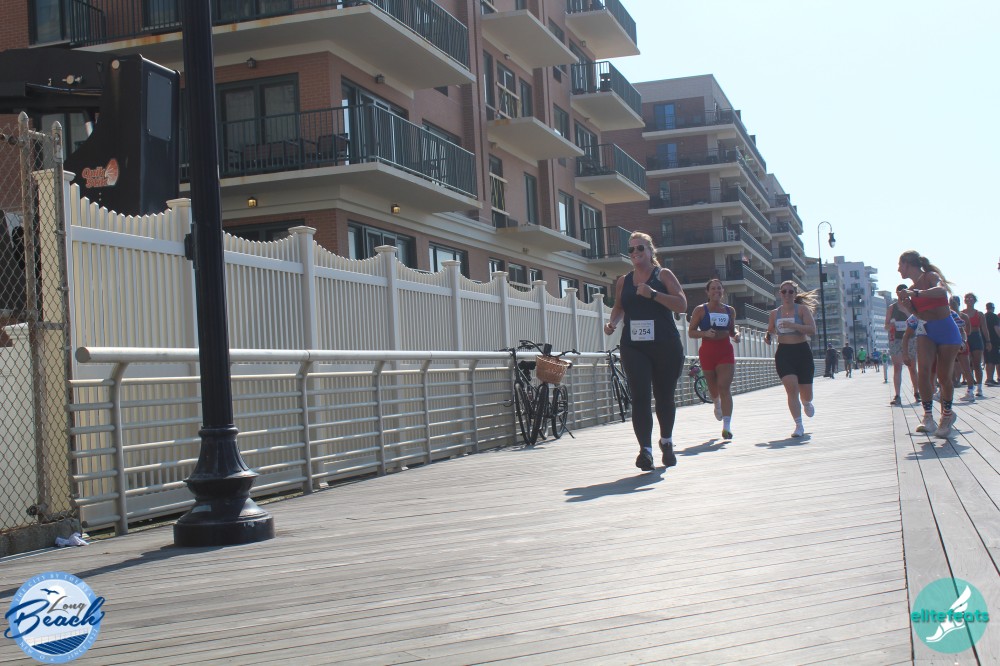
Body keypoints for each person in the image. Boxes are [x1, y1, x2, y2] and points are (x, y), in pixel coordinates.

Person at [604, 232, 687, 471]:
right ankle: (645, 451)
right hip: (634, 346)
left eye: (640, 248)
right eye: (631, 249)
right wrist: (612, 322)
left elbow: (682, 305)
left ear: (650, 251)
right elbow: (619, 307)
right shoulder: (624, 281)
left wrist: (654, 294)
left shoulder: (663, 275)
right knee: (640, 396)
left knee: (664, 397)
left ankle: (666, 442)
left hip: (665, 345)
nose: (635, 252)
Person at [899, 250, 962, 438]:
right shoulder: (911, 289)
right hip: (927, 330)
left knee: (944, 377)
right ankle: (928, 417)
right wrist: (909, 307)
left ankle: (947, 415)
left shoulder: (930, 277)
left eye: (900, 265)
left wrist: (915, 293)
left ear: (907, 264)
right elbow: (921, 315)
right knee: (923, 372)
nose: (898, 269)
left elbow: (942, 291)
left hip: (947, 331)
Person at [764, 281, 818, 437]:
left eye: (790, 292)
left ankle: (806, 402)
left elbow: (812, 329)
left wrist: (794, 326)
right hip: (784, 353)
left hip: (802, 352)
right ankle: (798, 425)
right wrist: (768, 337)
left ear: (795, 294)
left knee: (806, 394)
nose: (787, 294)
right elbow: (770, 331)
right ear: (780, 294)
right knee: (791, 389)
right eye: (784, 292)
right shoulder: (774, 313)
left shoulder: (802, 310)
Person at [688, 279, 740, 440]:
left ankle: (727, 427)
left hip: (725, 351)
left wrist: (736, 335)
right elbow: (691, 332)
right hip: (708, 352)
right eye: (713, 288)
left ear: (723, 291)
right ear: (708, 292)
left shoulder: (729, 310)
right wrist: (704, 333)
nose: (716, 291)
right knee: (713, 388)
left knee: (724, 386)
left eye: (719, 288)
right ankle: (716, 403)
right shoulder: (700, 310)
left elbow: (732, 330)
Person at [886, 285, 919, 405]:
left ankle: (917, 393)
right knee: (897, 367)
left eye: (904, 292)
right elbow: (886, 325)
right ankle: (897, 395)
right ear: (896, 293)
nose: (901, 294)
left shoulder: (912, 306)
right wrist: (891, 326)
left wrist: (907, 310)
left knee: (912, 367)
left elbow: (918, 320)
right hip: (896, 339)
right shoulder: (892, 307)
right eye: (899, 292)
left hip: (911, 338)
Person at [962, 293, 991, 397]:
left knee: (977, 363)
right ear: (965, 300)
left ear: (974, 300)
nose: (969, 300)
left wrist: (988, 341)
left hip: (976, 337)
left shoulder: (979, 314)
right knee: (967, 364)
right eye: (967, 298)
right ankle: (970, 387)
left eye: (971, 298)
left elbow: (984, 328)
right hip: (966, 337)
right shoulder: (962, 313)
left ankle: (979, 387)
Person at [950, 296, 975, 403]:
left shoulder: (948, 314)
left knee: (948, 368)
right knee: (966, 369)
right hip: (961, 342)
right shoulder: (964, 316)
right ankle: (970, 392)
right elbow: (968, 331)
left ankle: (945, 392)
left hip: (951, 343)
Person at [985, 302, 1000, 386]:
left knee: (987, 360)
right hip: (993, 341)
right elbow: (996, 328)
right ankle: (990, 379)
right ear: (993, 308)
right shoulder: (994, 317)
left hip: (985, 340)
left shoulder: (984, 316)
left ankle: (988, 378)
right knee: (993, 360)